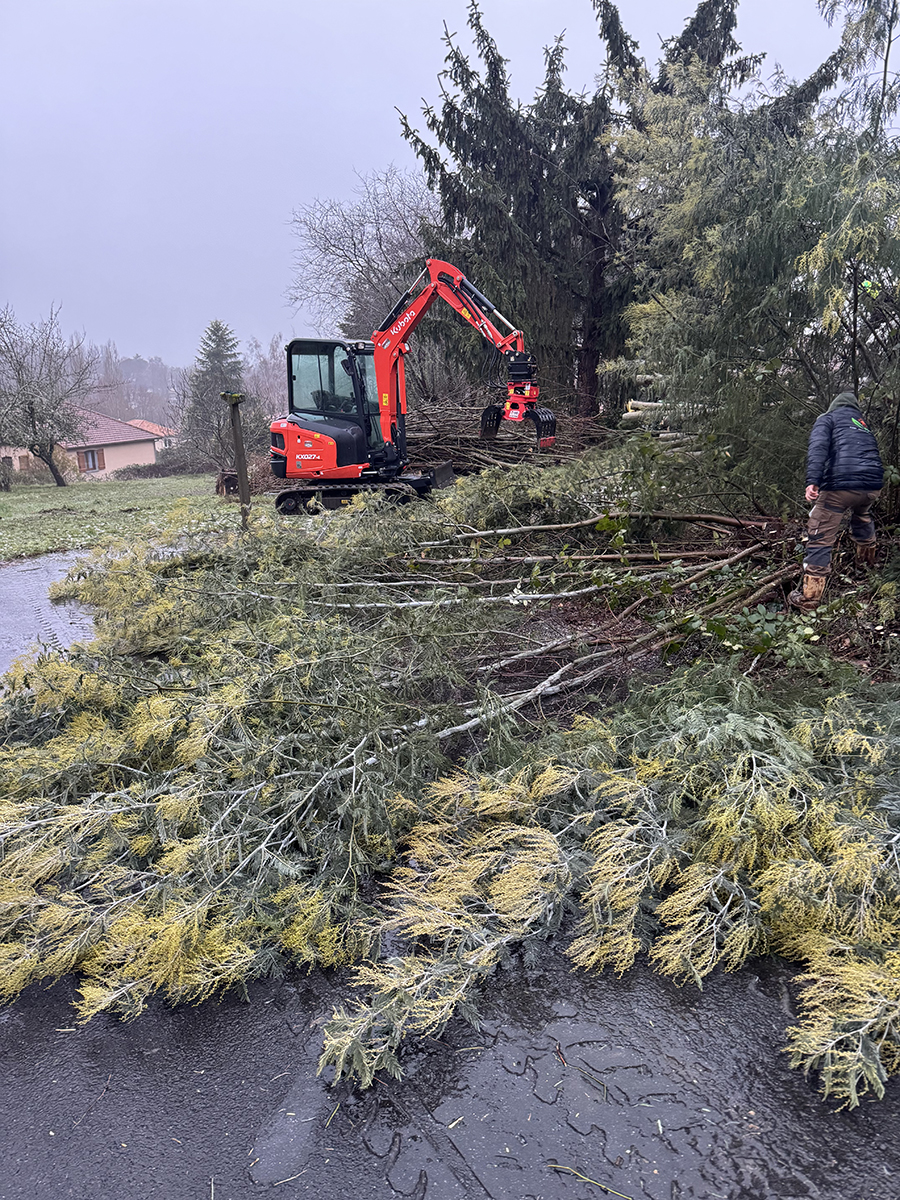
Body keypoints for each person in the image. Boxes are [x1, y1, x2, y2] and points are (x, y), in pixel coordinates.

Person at [789, 391, 883, 611]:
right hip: (873, 486)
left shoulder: (827, 419)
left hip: (842, 486)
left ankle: (810, 598)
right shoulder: (862, 424)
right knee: (862, 516)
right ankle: (867, 568)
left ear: (834, 405)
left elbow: (818, 448)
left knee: (820, 532)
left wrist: (813, 481)